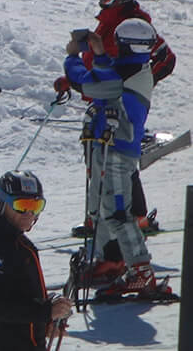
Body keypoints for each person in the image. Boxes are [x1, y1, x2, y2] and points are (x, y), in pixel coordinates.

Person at [59, 0, 175, 236]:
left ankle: (132, 219)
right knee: (100, 155)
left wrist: (132, 89)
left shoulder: (131, 22)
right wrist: (72, 79)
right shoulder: (112, 19)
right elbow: (98, 61)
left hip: (116, 99)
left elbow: (160, 60)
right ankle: (100, 217)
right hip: (104, 95)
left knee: (118, 156)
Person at [62, 17, 172, 297]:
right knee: (100, 209)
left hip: (118, 151)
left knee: (118, 213)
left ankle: (140, 270)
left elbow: (89, 83)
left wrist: (74, 56)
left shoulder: (129, 75)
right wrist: (94, 56)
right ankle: (107, 260)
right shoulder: (131, 68)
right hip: (107, 146)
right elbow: (102, 74)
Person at [0, 169, 74, 349]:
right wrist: (46, 312)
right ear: (3, 204)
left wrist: (45, 321)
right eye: (22, 205)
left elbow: (20, 296)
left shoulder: (18, 243)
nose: (29, 213)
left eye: (36, 206)